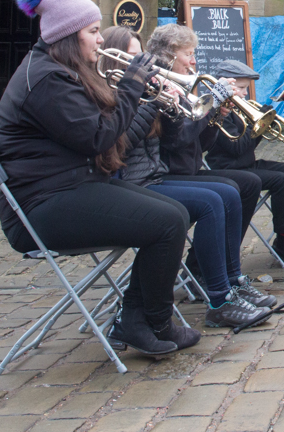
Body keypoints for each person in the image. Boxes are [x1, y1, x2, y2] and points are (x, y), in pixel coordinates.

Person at [0, 0, 219, 358]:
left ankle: (137, 319)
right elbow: (97, 137)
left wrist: (140, 92)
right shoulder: (45, 79)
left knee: (175, 213)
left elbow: (103, 134)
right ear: (68, 35)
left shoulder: (60, 71)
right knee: (166, 222)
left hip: (71, 187)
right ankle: (156, 321)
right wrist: (134, 85)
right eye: (93, 31)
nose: (100, 39)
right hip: (42, 206)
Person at [99, 27, 272, 330]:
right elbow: (153, 143)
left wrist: (212, 114)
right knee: (215, 199)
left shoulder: (145, 92)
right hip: (138, 184)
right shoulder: (116, 96)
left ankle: (230, 283)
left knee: (232, 191)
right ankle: (219, 299)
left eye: (140, 57)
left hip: (157, 175)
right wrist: (156, 100)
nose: (139, 63)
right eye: (132, 57)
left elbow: (192, 143)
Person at [143, 24, 284, 282]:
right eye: (188, 54)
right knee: (235, 188)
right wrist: (212, 106)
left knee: (257, 182)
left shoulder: (181, 89)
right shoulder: (160, 90)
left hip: (189, 169)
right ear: (170, 54)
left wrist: (215, 115)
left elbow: (202, 143)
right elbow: (179, 139)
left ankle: (228, 269)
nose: (194, 61)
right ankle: (208, 271)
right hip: (172, 174)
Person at [202, 58, 284, 268]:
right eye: (242, 88)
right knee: (280, 181)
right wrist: (259, 126)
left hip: (246, 165)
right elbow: (236, 148)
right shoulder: (221, 111)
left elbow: (247, 148)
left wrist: (261, 126)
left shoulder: (238, 109)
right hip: (229, 170)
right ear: (227, 85)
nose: (246, 94)